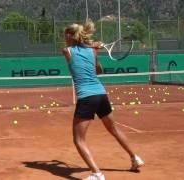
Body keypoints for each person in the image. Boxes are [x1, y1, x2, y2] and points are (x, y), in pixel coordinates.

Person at [62, 20, 144, 180]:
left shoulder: (67, 51)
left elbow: (75, 49)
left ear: (70, 36)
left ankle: (97, 174)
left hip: (86, 97)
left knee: (78, 140)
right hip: (101, 94)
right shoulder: (92, 52)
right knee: (114, 129)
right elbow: (98, 71)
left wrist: (92, 45)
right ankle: (135, 158)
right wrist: (93, 48)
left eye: (66, 35)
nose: (64, 38)